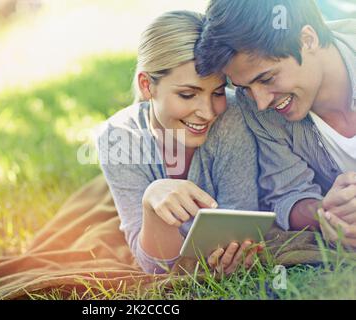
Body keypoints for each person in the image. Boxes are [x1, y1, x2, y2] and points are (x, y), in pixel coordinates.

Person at [96, 11, 262, 275]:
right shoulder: (116, 138)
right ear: (147, 85)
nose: (208, 113)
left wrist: (232, 251)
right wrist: (151, 204)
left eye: (218, 92)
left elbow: (239, 229)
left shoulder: (232, 117)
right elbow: (157, 268)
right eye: (187, 94)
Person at [195, 0, 356, 248]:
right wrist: (327, 213)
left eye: (267, 78)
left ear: (308, 40)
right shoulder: (256, 108)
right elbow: (288, 195)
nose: (260, 102)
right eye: (245, 87)